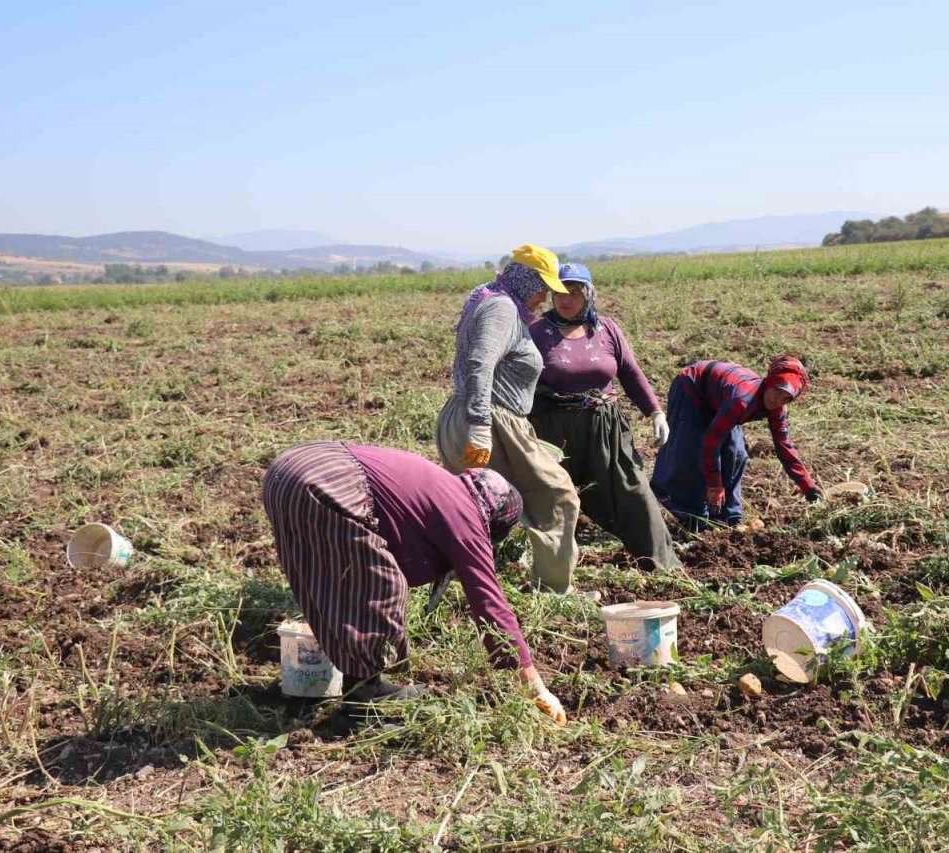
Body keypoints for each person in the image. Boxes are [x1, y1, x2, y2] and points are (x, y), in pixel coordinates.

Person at [261, 441, 566, 725]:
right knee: (381, 585)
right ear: (491, 521)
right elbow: (490, 606)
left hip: (287, 471)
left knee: (338, 575)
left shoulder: (445, 488)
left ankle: (349, 680)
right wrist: (535, 688)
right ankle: (365, 696)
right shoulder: (467, 516)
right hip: (325, 479)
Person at [436, 244, 582, 594]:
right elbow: (479, 363)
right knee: (557, 496)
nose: (545, 296)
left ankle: (455, 585)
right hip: (493, 422)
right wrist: (481, 424)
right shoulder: (502, 309)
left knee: (473, 506)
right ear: (526, 279)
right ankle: (553, 590)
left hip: (475, 417)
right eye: (542, 286)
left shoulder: (492, 298)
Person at [528, 263, 681, 570]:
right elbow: (520, 379)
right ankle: (553, 572)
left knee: (633, 489)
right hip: (554, 429)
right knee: (554, 499)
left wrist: (655, 412)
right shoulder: (537, 332)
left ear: (588, 294)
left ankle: (662, 564)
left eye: (574, 292)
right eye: (559, 292)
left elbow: (630, 372)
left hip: (605, 426)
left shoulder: (606, 329)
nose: (565, 299)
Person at [650, 356, 822, 529]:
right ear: (769, 382)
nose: (778, 401)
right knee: (693, 452)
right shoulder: (742, 400)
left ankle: (728, 519)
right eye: (777, 391)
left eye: (786, 398)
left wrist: (808, 487)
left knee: (736, 454)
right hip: (692, 389)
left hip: (720, 401)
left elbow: (784, 447)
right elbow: (711, 443)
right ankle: (693, 518)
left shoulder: (777, 408)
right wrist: (714, 486)